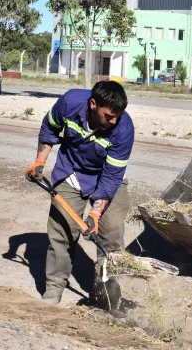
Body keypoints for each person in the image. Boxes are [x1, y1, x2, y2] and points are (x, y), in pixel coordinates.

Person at [25, 80, 134, 306]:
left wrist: (94, 215)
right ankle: (54, 289)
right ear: (93, 104)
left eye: (118, 116)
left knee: (111, 234)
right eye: (109, 116)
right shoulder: (70, 102)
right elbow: (49, 127)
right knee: (61, 232)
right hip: (72, 172)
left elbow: (112, 176)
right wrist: (39, 161)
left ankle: (108, 297)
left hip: (106, 179)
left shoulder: (124, 128)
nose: (114, 121)